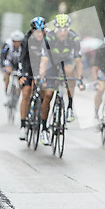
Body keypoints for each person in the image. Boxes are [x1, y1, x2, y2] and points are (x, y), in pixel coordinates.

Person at [39, 14, 85, 145]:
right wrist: (42, 78)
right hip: (52, 62)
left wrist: (80, 79)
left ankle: (70, 106)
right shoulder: (49, 38)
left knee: (70, 71)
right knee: (48, 94)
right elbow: (43, 61)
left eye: (66, 29)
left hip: (67, 59)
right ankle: (44, 128)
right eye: (60, 29)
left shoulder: (74, 37)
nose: (63, 32)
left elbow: (79, 61)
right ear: (55, 29)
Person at [17, 17, 46, 140]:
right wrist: (22, 74)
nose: (39, 33)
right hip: (28, 67)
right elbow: (22, 58)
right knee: (26, 93)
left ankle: (40, 115)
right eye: (36, 31)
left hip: (41, 66)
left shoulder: (48, 39)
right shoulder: (26, 39)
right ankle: (23, 125)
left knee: (43, 91)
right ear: (32, 30)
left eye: (41, 30)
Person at [91, 31, 105, 126]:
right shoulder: (100, 50)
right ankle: (96, 111)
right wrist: (95, 81)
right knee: (101, 89)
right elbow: (95, 68)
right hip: (103, 71)